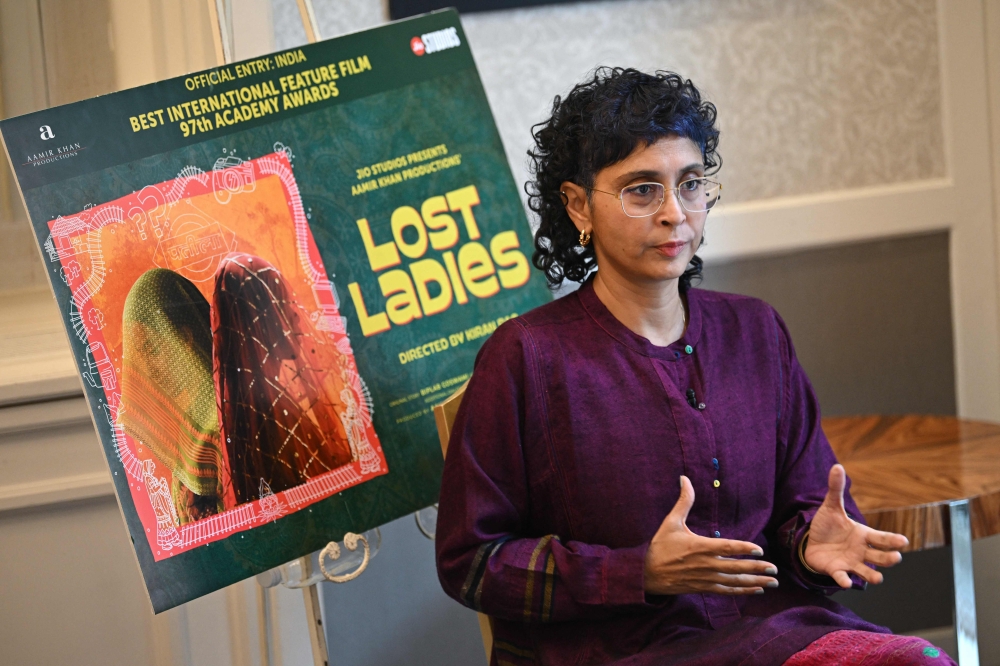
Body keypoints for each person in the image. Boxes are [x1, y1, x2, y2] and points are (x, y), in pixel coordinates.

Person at [435, 68, 954, 665]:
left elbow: (802, 504)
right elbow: (471, 564)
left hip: (776, 630)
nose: (675, 214)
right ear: (578, 205)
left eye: (690, 184)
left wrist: (810, 542)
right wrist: (639, 572)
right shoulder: (524, 356)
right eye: (641, 189)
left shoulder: (756, 330)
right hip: (613, 652)